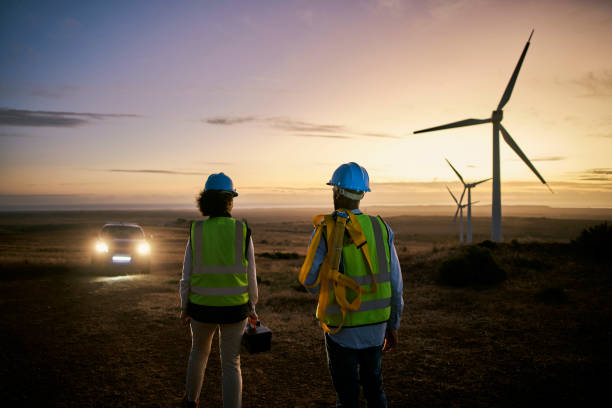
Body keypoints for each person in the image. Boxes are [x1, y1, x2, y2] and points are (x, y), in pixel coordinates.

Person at [299, 162, 404, 408]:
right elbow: (396, 284)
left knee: (347, 397)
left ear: (336, 192)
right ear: (363, 193)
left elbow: (311, 283)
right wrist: (394, 324)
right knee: (375, 390)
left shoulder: (326, 229)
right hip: (377, 327)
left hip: (341, 329)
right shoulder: (381, 228)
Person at [180, 172, 258, 408]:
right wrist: (252, 306)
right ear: (230, 200)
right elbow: (251, 277)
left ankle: (190, 402)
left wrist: (185, 306)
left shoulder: (197, 231)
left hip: (201, 309)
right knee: (231, 363)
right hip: (235, 310)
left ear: (206, 201)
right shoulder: (242, 231)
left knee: (198, 354)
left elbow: (186, 275)